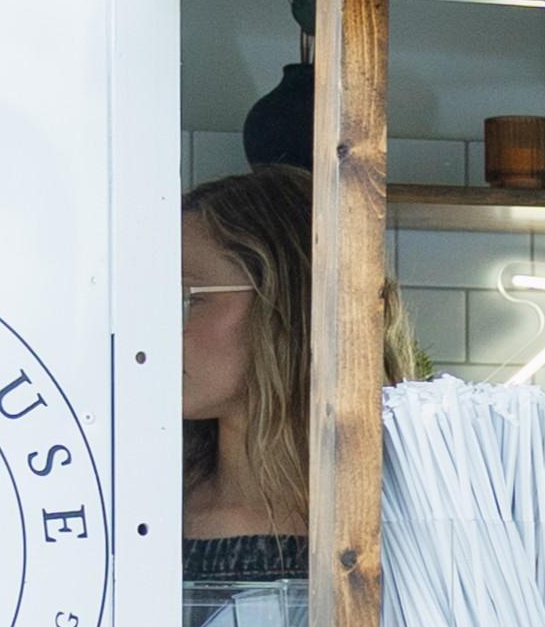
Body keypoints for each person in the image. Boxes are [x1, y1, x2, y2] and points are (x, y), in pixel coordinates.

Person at [181, 166, 423, 566]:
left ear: (286, 305)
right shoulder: (135, 507)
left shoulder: (404, 520)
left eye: (189, 297)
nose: (155, 328)